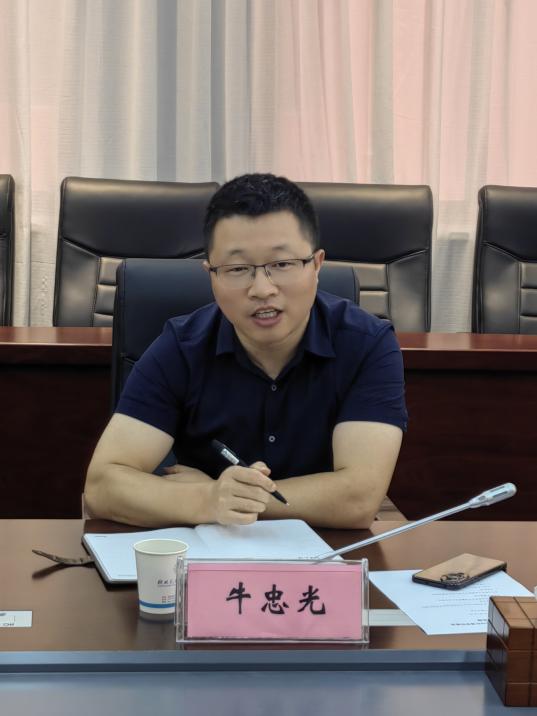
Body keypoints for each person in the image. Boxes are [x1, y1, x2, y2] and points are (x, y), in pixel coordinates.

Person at [85, 173, 407, 529]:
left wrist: (228, 497)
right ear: (211, 274)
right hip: (209, 553)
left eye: (281, 264)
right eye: (238, 269)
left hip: (329, 553)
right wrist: (207, 499)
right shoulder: (181, 347)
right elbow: (102, 487)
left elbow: (358, 499)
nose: (262, 289)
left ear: (316, 265)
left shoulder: (368, 344)